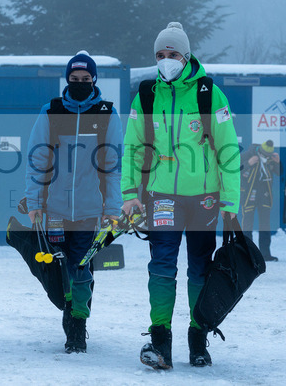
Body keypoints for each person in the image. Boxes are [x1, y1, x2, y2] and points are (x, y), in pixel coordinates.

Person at [121, 22, 240, 369]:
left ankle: (198, 339)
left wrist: (230, 201)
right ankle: (160, 341)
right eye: (160, 54)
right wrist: (129, 193)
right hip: (161, 197)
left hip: (204, 198)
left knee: (200, 268)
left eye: (172, 54)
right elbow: (132, 148)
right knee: (161, 266)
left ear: (186, 56)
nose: (165, 60)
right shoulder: (147, 95)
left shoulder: (209, 94)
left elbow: (228, 150)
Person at [25, 51, 123, 354]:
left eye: (85, 78)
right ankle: (69, 312)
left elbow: (114, 167)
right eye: (74, 78)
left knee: (82, 269)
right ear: (67, 80)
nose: (80, 82)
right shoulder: (51, 111)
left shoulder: (107, 114)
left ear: (94, 80)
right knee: (59, 269)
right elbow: (36, 160)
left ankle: (77, 325)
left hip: (90, 210)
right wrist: (34, 203)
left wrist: (113, 209)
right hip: (54, 209)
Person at [241, 139, 282, 261]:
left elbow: (279, 172)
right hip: (249, 194)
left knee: (265, 225)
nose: (266, 157)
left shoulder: (271, 158)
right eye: (265, 155)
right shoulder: (248, 155)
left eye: (268, 156)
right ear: (260, 150)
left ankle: (265, 254)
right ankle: (247, 254)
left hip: (264, 195)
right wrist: (248, 163)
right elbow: (235, 169)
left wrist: (278, 163)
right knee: (247, 224)